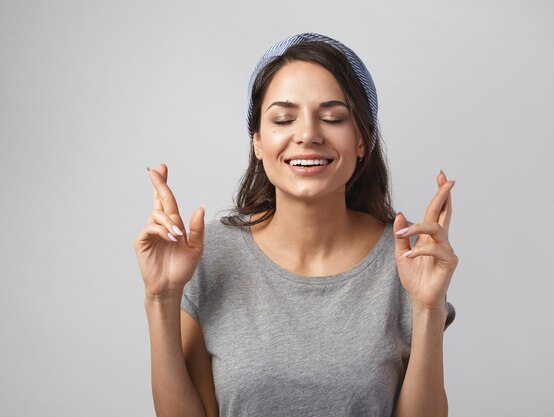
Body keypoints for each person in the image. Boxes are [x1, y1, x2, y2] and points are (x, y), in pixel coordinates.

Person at [134, 33, 458, 417]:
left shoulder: (406, 261)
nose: (307, 135)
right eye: (284, 119)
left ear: (361, 141)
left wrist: (427, 308)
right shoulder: (210, 255)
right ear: (257, 141)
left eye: (333, 118)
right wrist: (161, 298)